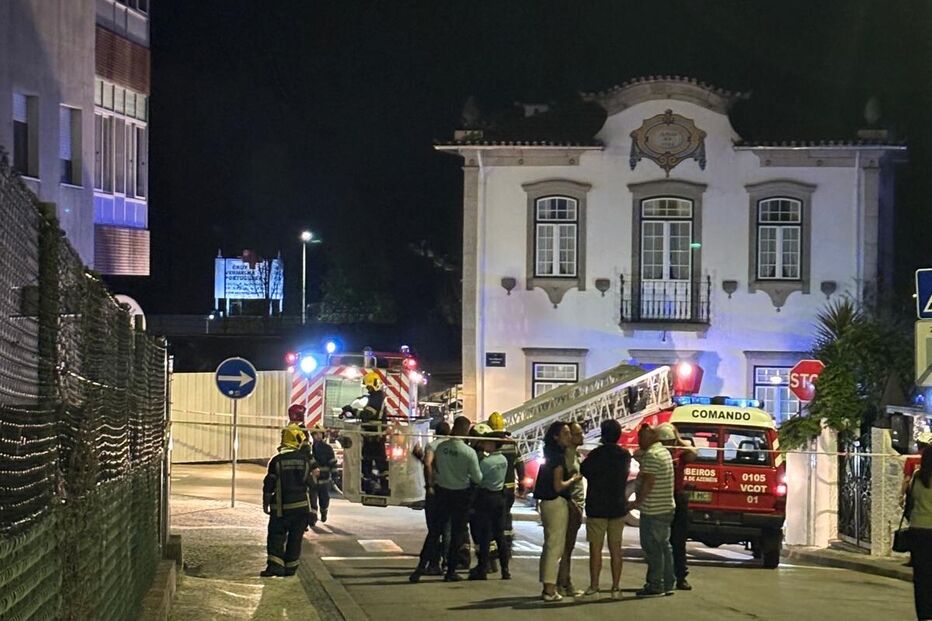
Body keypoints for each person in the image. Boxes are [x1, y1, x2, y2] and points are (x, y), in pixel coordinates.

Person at [410, 416, 482, 583]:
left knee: (434, 532)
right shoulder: (468, 452)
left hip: (442, 493)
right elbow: (478, 477)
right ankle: (450, 571)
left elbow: (433, 467)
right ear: (465, 430)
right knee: (457, 534)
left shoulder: (441, 448)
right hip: (460, 495)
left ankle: (420, 568)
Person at [580, 419, 631, 599]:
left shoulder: (595, 455)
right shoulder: (624, 455)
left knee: (596, 549)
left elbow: (584, 470)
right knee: (616, 548)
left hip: (597, 506)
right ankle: (616, 586)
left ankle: (594, 585)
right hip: (617, 505)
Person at [261, 426, 320, 577]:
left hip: (281, 508)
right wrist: (314, 510)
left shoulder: (277, 461)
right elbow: (312, 486)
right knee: (295, 539)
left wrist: (266, 502)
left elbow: (269, 484)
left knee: (276, 536)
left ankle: (275, 566)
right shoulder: (305, 460)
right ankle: (290, 568)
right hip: (301, 508)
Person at [534, 421, 581, 603]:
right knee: (555, 546)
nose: (569, 437)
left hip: (546, 502)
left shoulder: (549, 454)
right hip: (556, 502)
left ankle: (547, 585)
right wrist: (574, 479)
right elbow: (558, 485)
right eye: (566, 434)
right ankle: (550, 589)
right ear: (556, 437)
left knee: (549, 545)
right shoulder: (558, 458)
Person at [630, 424, 675, 597]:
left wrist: (636, 503)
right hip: (665, 507)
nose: (638, 441)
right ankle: (668, 582)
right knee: (664, 546)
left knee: (652, 548)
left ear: (650, 437)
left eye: (641, 437)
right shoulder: (663, 452)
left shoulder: (652, 455)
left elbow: (648, 482)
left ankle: (655, 585)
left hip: (653, 509)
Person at [656, 422, 697, 590]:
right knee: (659, 541)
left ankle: (680, 576)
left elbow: (693, 453)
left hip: (677, 498)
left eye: (670, 442)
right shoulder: (656, 456)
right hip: (661, 498)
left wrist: (679, 440)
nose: (668, 446)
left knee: (678, 541)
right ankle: (660, 576)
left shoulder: (680, 457)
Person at [468, 430, 511, 580]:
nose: (484, 445)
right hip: (500, 497)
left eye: (486, 442)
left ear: (492, 444)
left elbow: (478, 478)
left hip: (486, 498)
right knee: (500, 535)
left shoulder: (486, 462)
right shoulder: (503, 460)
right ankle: (505, 569)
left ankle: (483, 568)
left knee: (485, 534)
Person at [489, 411, 525, 575]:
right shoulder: (512, 444)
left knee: (491, 521)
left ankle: (492, 555)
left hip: (493, 489)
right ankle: (507, 547)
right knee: (506, 518)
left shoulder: (488, 443)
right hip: (509, 489)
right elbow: (520, 464)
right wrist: (522, 483)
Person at [557, 422, 585, 598]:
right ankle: (563, 582)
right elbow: (565, 479)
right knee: (567, 546)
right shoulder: (567, 455)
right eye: (577, 434)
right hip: (572, 503)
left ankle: (564, 581)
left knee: (569, 546)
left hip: (576, 503)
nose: (581, 436)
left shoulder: (575, 454)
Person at [910, 446, 932, 620]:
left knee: (921, 575)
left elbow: (910, 499)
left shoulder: (917, 477)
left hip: (917, 530)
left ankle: (924, 614)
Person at [358, 371, 389, 494]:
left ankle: (383, 487)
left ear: (374, 385)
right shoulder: (376, 397)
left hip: (375, 438)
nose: (367, 388)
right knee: (367, 462)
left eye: (368, 386)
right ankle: (370, 486)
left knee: (378, 462)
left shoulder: (377, 398)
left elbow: (368, 414)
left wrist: (353, 412)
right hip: (372, 437)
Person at [310, 425, 338, 523]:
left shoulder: (327, 448)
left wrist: (335, 475)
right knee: (312, 499)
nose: (317, 436)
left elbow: (332, 462)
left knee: (324, 498)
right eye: (315, 434)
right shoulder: (309, 448)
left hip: (324, 479)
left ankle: (324, 511)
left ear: (323, 435)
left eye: (319, 434)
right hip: (312, 480)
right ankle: (313, 518)